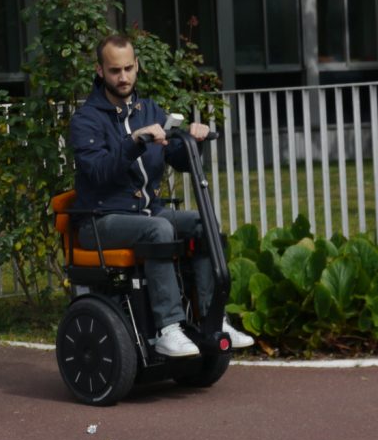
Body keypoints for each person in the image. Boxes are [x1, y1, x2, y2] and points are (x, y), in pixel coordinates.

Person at [68, 33, 253, 356]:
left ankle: (214, 320)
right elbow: (96, 172)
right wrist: (134, 142)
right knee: (159, 229)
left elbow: (176, 159)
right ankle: (169, 327)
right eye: (114, 71)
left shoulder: (148, 109)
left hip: (146, 212)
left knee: (201, 223)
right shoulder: (87, 119)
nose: (123, 77)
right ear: (100, 71)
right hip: (101, 220)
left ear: (137, 66)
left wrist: (192, 141)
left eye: (128, 68)